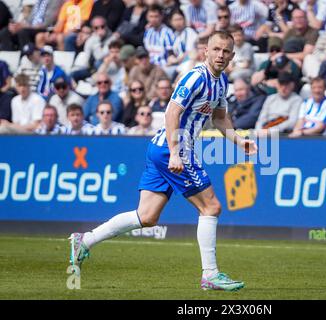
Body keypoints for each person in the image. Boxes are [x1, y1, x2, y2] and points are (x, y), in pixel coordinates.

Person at [68, 31, 257, 292]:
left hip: (160, 149)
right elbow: (172, 112)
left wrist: (239, 140)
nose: (220, 55)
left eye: (226, 51)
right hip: (173, 149)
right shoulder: (195, 77)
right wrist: (177, 152)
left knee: (146, 217)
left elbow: (220, 118)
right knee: (211, 207)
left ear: (232, 56)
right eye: (216, 49)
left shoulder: (221, 82)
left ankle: (85, 241)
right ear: (206, 51)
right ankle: (210, 275)